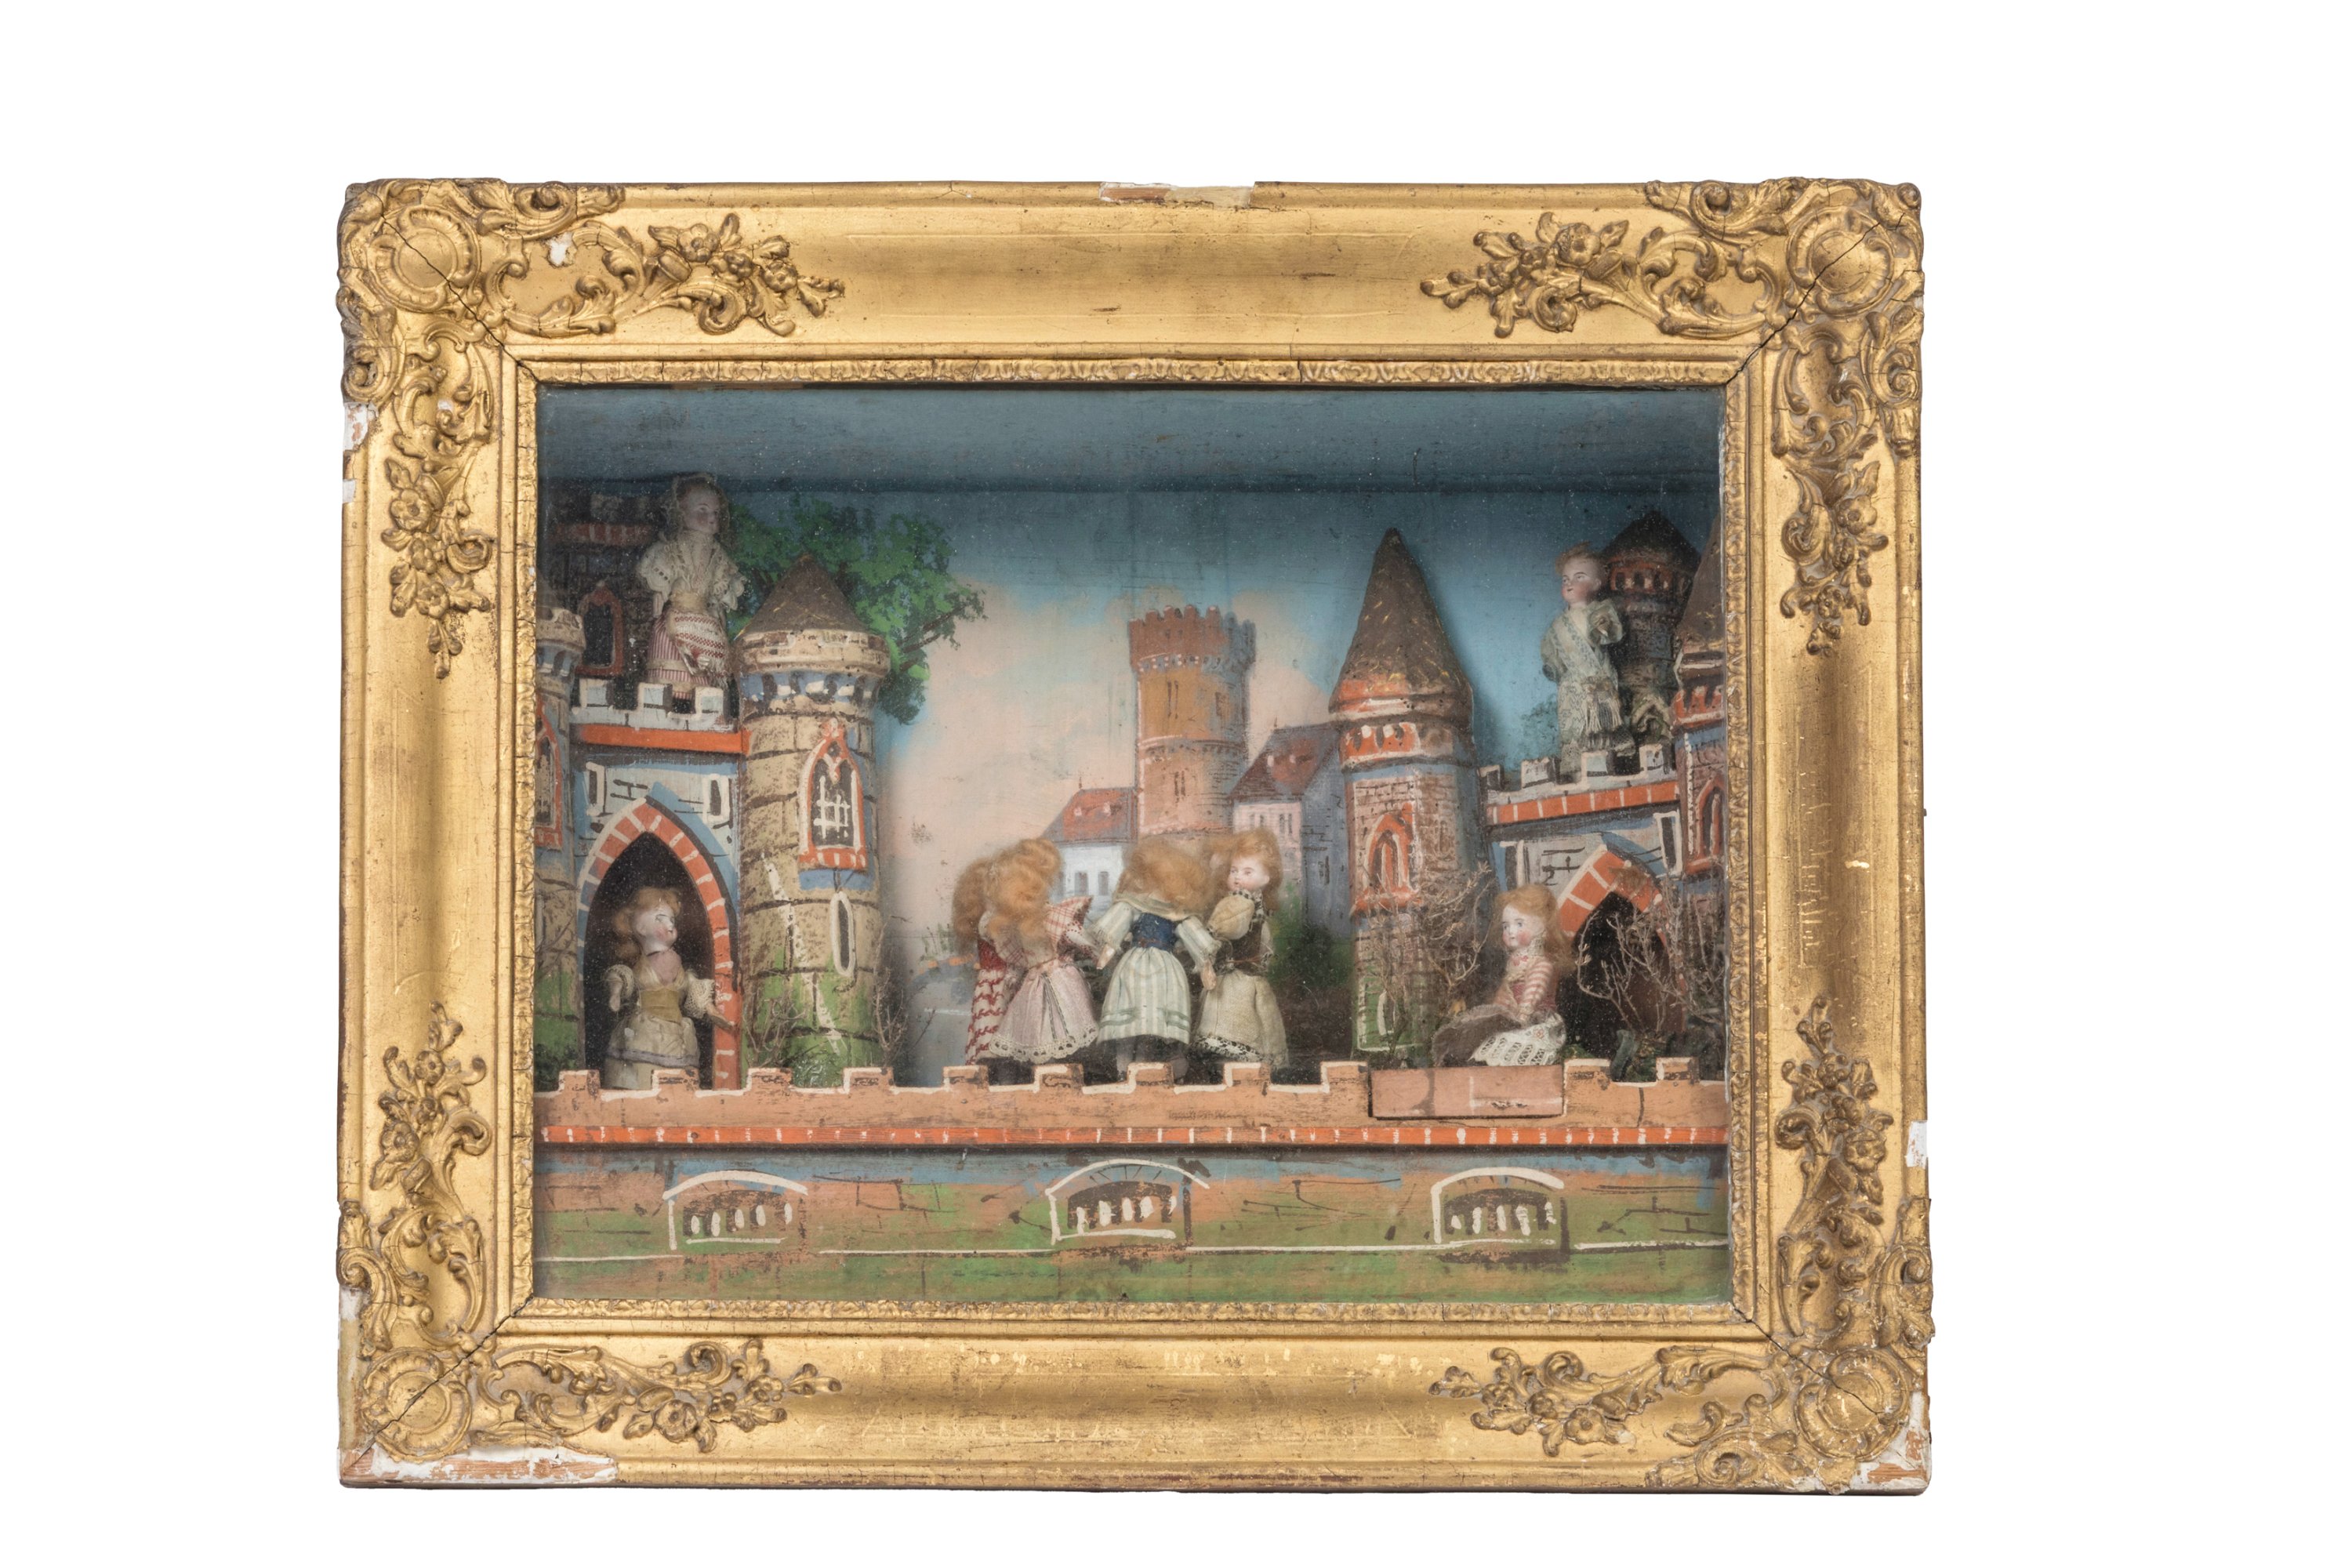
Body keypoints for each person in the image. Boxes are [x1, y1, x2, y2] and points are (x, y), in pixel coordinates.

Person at [1087, 836, 1218, 1082]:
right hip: (1134, 966)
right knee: (1130, 1019)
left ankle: (1147, 1066)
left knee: (1155, 1023)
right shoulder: (1134, 905)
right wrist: (1108, 950)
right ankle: (1123, 1066)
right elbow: (1118, 924)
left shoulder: (1178, 914)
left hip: (1165, 971)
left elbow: (1194, 937)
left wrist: (1205, 964)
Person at [985, 839, 1101, 1080]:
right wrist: (1012, 977)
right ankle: (1050, 1074)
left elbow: (1076, 936)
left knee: (1065, 1024)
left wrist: (1095, 950)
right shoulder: (1017, 926)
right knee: (1038, 1031)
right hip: (1035, 982)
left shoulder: (1051, 916)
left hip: (1059, 978)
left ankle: (1062, 1073)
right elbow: (1019, 960)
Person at [1432, 884, 1572, 1068]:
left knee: (1520, 1042)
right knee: (1490, 1039)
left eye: (1519, 924)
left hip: (1535, 1020)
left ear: (1541, 926)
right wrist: (1498, 1011)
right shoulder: (1514, 963)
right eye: (1506, 927)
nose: (1511, 932)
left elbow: (1535, 990)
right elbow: (1506, 993)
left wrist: (1524, 1012)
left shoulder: (1541, 963)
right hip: (1516, 1018)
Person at [637, 473, 749, 696]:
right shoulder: (670, 549)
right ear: (682, 512)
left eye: (715, 512)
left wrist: (716, 608)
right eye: (702, 510)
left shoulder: (719, 555)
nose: (711, 518)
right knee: (668, 680)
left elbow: (719, 591)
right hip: (675, 622)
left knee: (706, 684)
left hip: (704, 624)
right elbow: (660, 580)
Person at [601, 886, 719, 1088]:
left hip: (676, 1034)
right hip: (647, 1033)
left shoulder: (679, 967)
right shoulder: (640, 966)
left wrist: (710, 1009)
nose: (670, 925)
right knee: (645, 1079)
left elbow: (693, 988)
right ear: (641, 928)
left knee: (677, 1083)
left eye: (672, 920)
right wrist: (616, 992)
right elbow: (622, 976)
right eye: (660, 919)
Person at [1195, 827, 1290, 1072]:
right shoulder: (1242, 902)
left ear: (1267, 878)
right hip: (1240, 980)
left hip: (1239, 981)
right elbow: (1226, 928)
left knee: (1239, 1028)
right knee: (1242, 1028)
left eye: (1247, 872)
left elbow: (1229, 929)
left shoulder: (1245, 903)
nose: (1237, 878)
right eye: (1234, 871)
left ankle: (1235, 1074)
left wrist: (1210, 938)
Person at [1540, 544, 1626, 779]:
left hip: (1598, 681)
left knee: (1602, 730)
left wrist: (1603, 627)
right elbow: (1552, 654)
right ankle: (1578, 772)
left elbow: (1610, 633)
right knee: (1576, 729)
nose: (1569, 584)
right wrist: (1552, 666)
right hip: (1572, 688)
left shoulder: (1600, 611)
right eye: (1565, 579)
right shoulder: (1557, 625)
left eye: (1579, 577)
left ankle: (1606, 767)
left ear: (1597, 584)